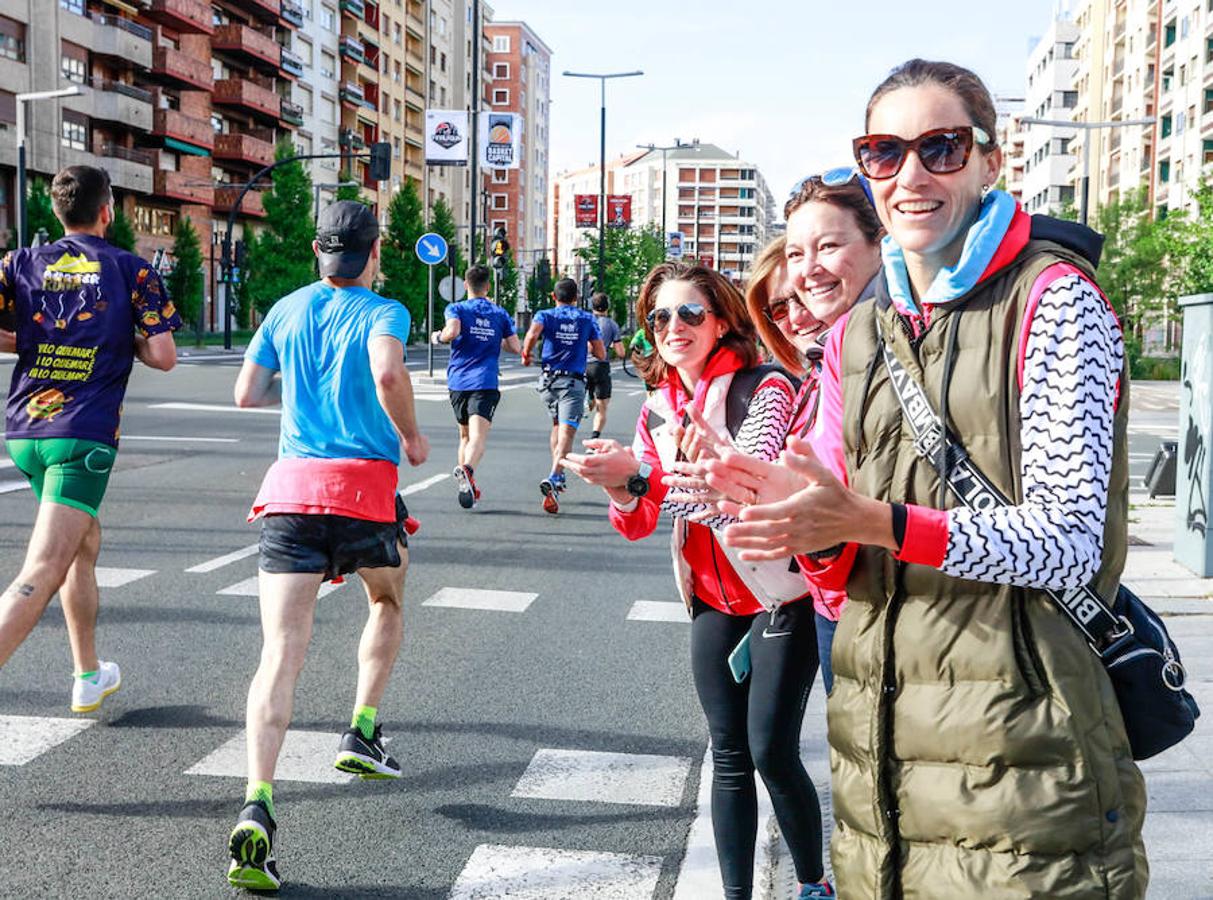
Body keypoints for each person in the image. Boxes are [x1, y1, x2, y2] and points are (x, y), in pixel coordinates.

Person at [708, 59, 1147, 897]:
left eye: (939, 148)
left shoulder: (1056, 301)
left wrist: (874, 523)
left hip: (1025, 764)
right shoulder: (858, 335)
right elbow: (844, 568)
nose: (909, 174)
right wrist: (797, 524)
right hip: (880, 772)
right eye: (883, 152)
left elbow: (1067, 542)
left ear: (989, 160)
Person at [563, 262, 834, 900]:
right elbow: (640, 520)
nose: (672, 327)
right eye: (660, 316)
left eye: (689, 313)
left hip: (781, 595)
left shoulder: (766, 388)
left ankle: (812, 883)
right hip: (711, 598)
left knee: (770, 749)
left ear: (722, 321)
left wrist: (642, 478)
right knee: (729, 754)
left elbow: (749, 495)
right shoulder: (659, 406)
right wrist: (624, 486)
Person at [226, 200, 430, 891]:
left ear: (319, 252)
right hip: (364, 492)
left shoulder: (284, 309)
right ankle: (363, 729)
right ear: (375, 252)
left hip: (289, 491)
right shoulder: (384, 311)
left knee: (278, 653)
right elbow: (387, 374)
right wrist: (409, 436)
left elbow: (246, 395)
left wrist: (304, 376)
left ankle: (258, 803)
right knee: (388, 598)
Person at [0, 165, 179, 712]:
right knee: (43, 569)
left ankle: (87, 674)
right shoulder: (130, 270)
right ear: (108, 211)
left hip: (25, 431)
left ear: (57, 212)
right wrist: (121, 337)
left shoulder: (18, 263)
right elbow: (165, 356)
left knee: (84, 546)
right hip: (84, 437)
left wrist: (33, 337)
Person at [431, 264, 520, 509]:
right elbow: (515, 347)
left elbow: (453, 331)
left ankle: (467, 485)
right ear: (488, 286)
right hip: (485, 381)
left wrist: (437, 337)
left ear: (466, 286)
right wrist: (494, 339)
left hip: (458, 381)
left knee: (465, 436)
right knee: (479, 436)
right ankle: (467, 471)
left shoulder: (456, 307)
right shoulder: (499, 313)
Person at [520, 278, 604, 513]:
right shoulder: (587, 319)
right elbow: (600, 352)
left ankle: (558, 471)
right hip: (572, 383)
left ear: (553, 296)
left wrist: (526, 354)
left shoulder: (544, 315)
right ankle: (555, 476)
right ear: (577, 297)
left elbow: (532, 334)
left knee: (557, 426)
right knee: (568, 430)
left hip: (547, 382)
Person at [584, 291, 625, 439]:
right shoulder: (611, 325)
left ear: (592, 306)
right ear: (607, 307)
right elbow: (620, 352)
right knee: (602, 408)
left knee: (585, 394)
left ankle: (589, 396)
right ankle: (594, 438)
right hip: (600, 366)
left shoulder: (585, 321)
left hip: (582, 365)